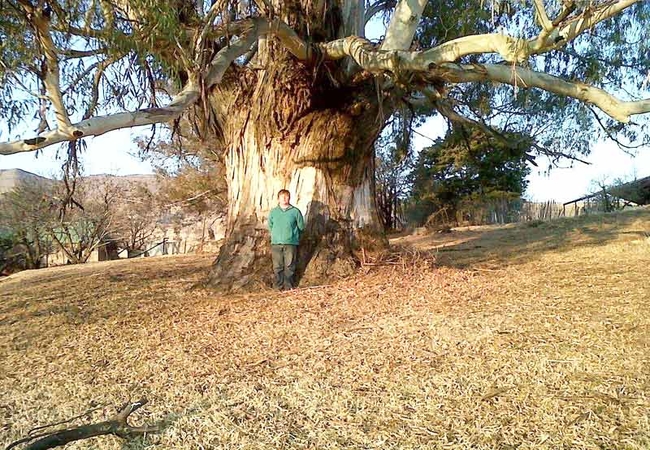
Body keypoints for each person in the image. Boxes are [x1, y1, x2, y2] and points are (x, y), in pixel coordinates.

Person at [268, 189, 305, 290]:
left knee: (289, 265)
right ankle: (278, 286)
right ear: (278, 199)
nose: (284, 199)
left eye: (286, 196)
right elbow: (270, 225)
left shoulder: (295, 211)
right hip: (276, 243)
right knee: (277, 266)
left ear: (289, 198)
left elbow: (301, 226)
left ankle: (288, 286)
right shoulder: (273, 212)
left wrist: (294, 236)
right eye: (282, 197)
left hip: (290, 243)